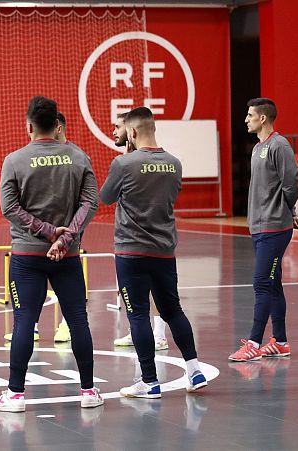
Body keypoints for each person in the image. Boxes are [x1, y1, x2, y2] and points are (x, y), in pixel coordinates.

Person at [0, 96, 102, 412]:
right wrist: (65, 238)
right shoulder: (78, 157)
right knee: (78, 319)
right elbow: (91, 203)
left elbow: (9, 207)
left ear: (29, 126)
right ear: (57, 125)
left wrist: (49, 233)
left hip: (27, 256)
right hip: (68, 256)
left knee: (24, 320)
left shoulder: (14, 160)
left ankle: (15, 396)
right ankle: (89, 392)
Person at [99, 106, 208, 398]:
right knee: (173, 310)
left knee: (137, 315)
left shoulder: (123, 164)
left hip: (131, 251)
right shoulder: (174, 163)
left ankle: (149, 381)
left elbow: (105, 197)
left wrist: (125, 163)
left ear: (132, 132)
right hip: (163, 250)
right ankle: (194, 370)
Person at [229, 98, 298, 362]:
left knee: (262, 284)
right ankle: (280, 342)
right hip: (259, 226)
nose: (246, 119)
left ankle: (253, 343)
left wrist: (292, 211)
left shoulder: (279, 145)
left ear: (262, 118)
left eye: (250, 115)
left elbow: (291, 182)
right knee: (273, 285)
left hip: (274, 227)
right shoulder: (259, 147)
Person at [108, 112, 169, 351]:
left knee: (154, 289)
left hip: (148, 238)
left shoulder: (142, 160)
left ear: (131, 130)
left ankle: (160, 335)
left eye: (118, 127)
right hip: (129, 236)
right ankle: (138, 332)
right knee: (134, 290)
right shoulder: (128, 158)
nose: (114, 132)